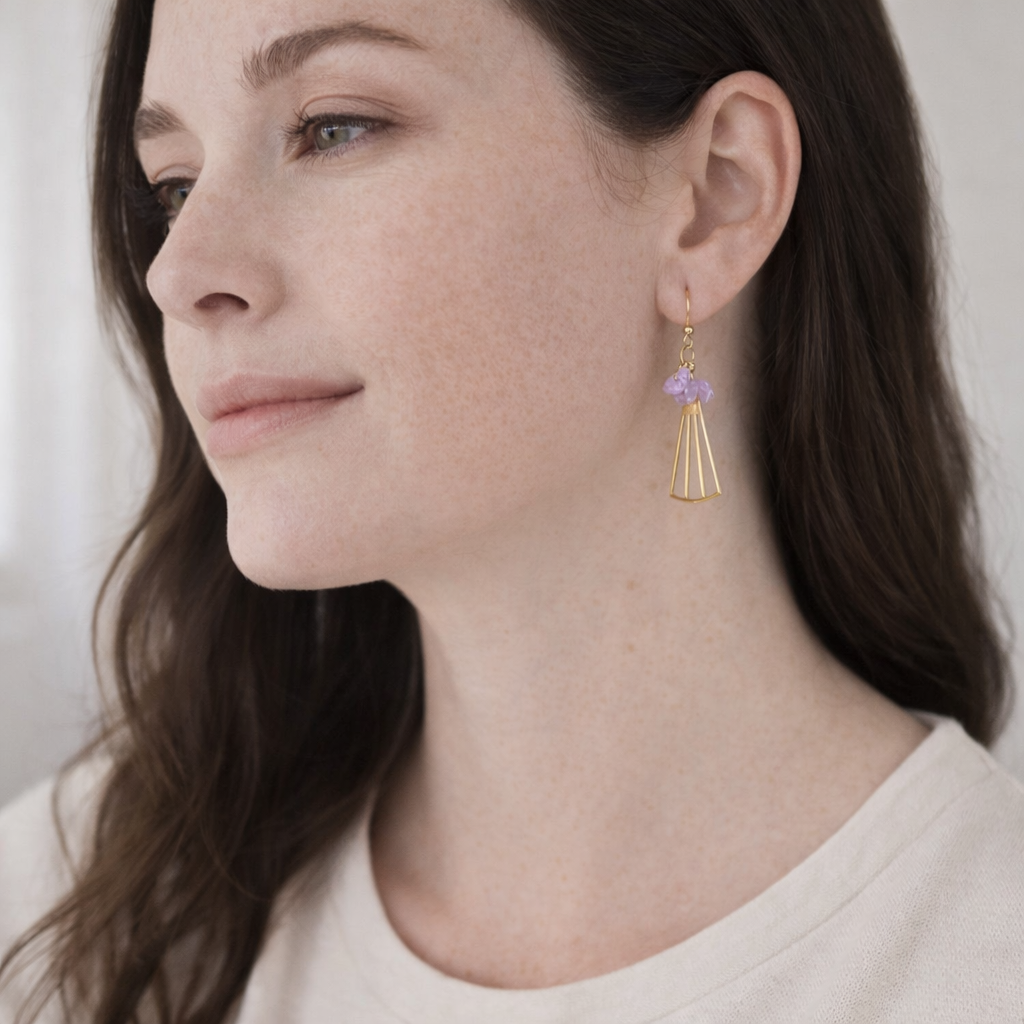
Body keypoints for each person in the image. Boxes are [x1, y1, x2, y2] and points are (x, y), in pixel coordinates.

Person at [1, 0, 1022, 1020]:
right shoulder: (66, 919)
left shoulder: (978, 956)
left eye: (334, 127)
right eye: (174, 185)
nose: (178, 272)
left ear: (718, 194)